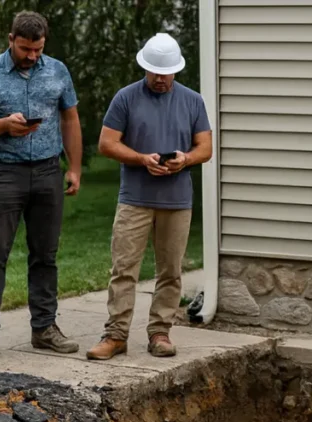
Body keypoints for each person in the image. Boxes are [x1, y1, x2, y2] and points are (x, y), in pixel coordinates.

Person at [0, 10, 83, 361]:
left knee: (46, 255)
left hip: (47, 172)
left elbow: (70, 117)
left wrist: (73, 168)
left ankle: (44, 329)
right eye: (25, 49)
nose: (31, 56)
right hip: (4, 174)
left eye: (37, 50)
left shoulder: (57, 71)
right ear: (11, 40)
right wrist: (2, 125)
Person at [85, 32, 212, 361]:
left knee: (171, 270)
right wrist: (142, 159)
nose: (159, 78)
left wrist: (185, 159)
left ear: (176, 70)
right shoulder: (125, 98)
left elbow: (206, 148)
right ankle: (115, 335)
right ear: (145, 67)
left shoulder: (193, 101)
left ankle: (160, 331)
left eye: (165, 72)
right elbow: (107, 143)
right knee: (124, 268)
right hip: (135, 198)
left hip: (177, 200)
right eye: (154, 71)